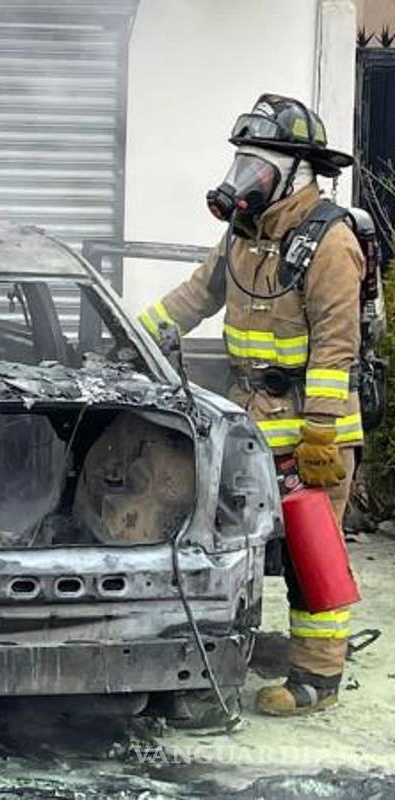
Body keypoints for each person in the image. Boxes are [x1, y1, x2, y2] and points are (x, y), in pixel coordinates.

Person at [138, 94, 361, 716]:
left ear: (295, 173)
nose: (244, 179)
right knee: (229, 545)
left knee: (312, 554)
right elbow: (192, 298)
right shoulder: (242, 235)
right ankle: (223, 649)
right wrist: (130, 341)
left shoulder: (330, 242)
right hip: (249, 425)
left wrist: (321, 434)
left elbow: (337, 345)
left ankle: (318, 679)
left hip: (312, 432)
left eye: (258, 168)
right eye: (242, 164)